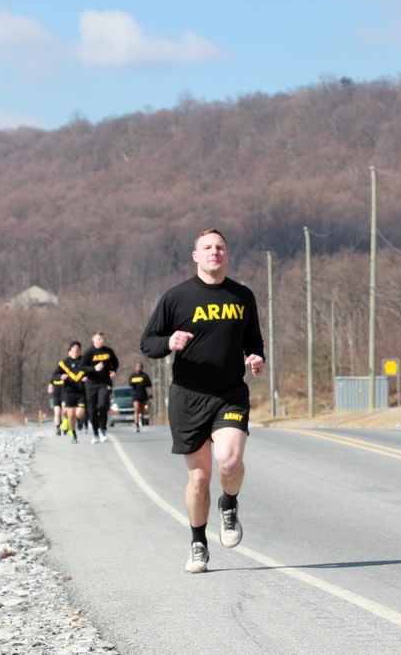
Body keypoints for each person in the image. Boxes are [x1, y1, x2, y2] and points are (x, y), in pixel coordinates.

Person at [140, 228, 265, 574]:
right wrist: (169, 342)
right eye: (207, 248)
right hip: (188, 397)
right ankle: (198, 542)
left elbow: (254, 341)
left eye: (220, 247)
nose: (215, 252)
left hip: (230, 394)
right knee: (199, 478)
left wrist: (256, 358)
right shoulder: (176, 297)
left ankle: (229, 503)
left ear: (227, 255)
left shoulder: (242, 296)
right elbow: (148, 342)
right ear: (196, 256)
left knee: (228, 461)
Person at [82, 330, 119, 443]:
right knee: (92, 409)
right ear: (93, 339)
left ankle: (103, 429)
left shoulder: (108, 351)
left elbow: (115, 362)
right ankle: (95, 433)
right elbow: (82, 367)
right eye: (99, 339)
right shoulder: (89, 352)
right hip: (92, 383)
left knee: (103, 405)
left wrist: (113, 371)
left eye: (103, 339)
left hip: (104, 382)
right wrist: (94, 369)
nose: (101, 341)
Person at [55, 341, 87, 444]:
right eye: (74, 348)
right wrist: (60, 377)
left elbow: (92, 371)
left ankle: (76, 422)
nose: (76, 350)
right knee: (71, 413)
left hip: (81, 391)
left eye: (78, 349)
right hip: (68, 391)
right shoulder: (64, 363)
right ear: (70, 351)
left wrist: (88, 377)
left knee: (79, 414)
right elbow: (54, 376)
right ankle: (73, 434)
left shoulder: (84, 361)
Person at [128, 361, 153, 432]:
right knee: (136, 409)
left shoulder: (144, 375)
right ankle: (136, 424)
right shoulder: (132, 375)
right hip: (135, 394)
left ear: (142, 368)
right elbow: (129, 383)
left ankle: (141, 417)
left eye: (139, 366)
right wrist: (132, 383)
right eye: (137, 366)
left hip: (142, 394)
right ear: (134, 367)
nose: (138, 368)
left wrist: (143, 383)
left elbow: (149, 384)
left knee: (142, 409)